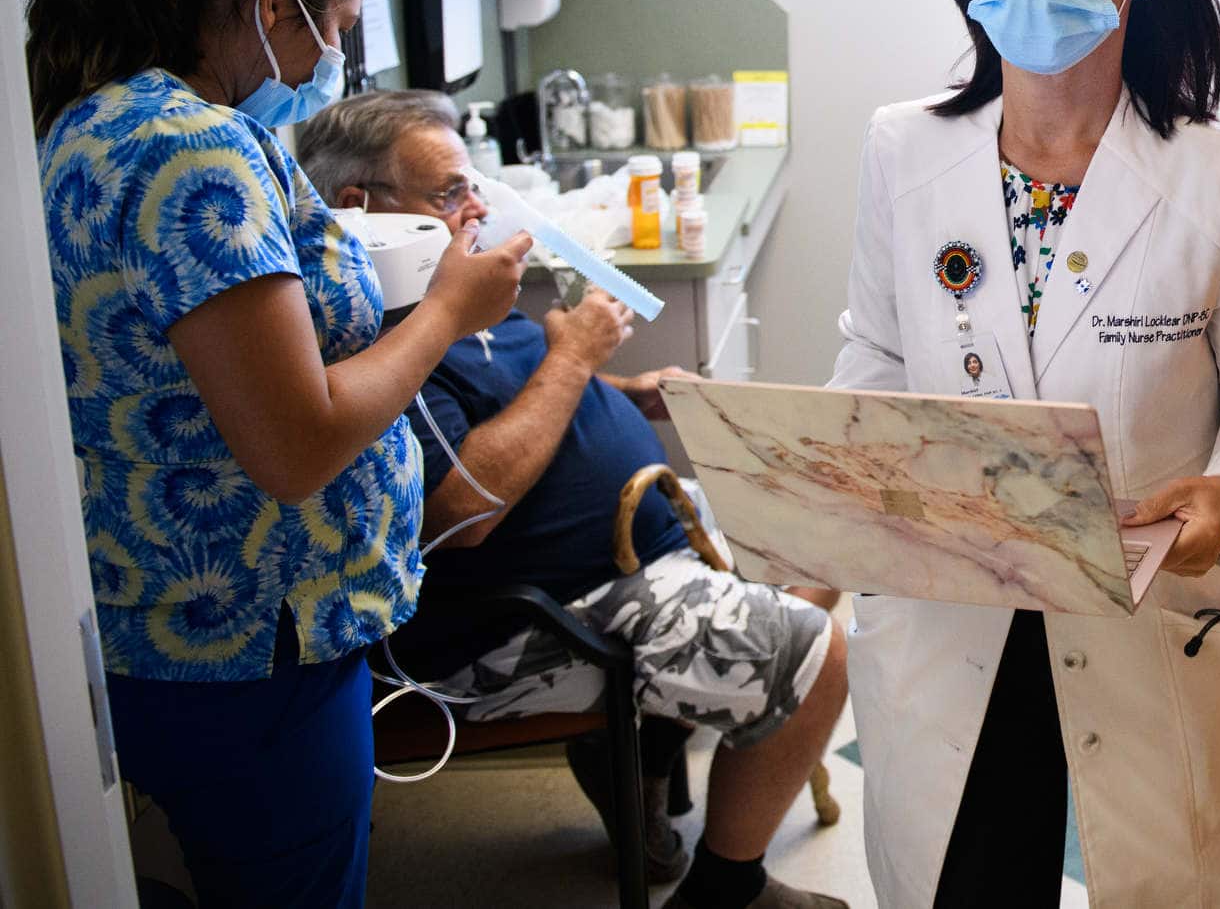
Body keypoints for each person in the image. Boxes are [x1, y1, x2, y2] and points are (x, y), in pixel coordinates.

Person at [828, 0, 1220, 907]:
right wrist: (826, 490)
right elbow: (875, 345)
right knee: (966, 875)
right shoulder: (901, 149)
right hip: (955, 603)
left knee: (1158, 872)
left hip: (1146, 614)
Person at [29, 0, 532, 908]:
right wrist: (448, 309)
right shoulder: (195, 156)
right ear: (272, 2)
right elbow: (295, 446)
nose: (336, 57)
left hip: (166, 619)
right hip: (252, 647)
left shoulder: (94, 124)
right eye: (335, 25)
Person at [296, 91, 849, 909]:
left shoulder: (454, 290)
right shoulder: (385, 339)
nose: (478, 206)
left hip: (628, 546)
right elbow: (463, 513)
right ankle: (726, 889)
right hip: (540, 614)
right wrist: (575, 355)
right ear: (360, 206)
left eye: (471, 184)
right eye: (450, 193)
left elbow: (517, 395)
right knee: (822, 654)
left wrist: (623, 387)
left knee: (822, 531)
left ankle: (648, 756)